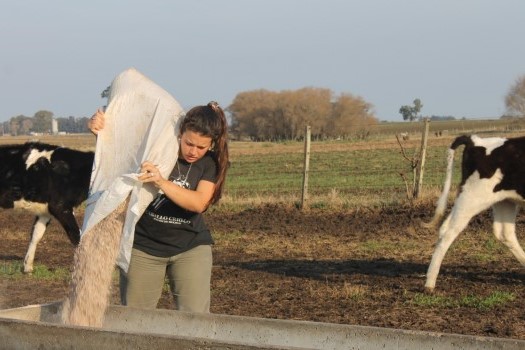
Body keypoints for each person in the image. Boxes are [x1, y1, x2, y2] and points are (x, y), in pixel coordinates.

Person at [88, 101, 229, 313]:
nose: (193, 152)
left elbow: (199, 202)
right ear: (181, 133)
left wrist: (161, 182)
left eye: (202, 147)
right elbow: (120, 150)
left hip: (190, 248)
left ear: (212, 144)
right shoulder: (156, 149)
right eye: (189, 143)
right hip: (143, 248)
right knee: (135, 318)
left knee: (196, 319)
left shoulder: (210, 164)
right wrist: (100, 129)